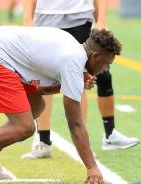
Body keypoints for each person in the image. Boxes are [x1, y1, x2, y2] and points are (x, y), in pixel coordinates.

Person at [0, 25, 121, 184]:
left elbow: (39, 90)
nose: (105, 70)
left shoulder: (72, 46)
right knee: (24, 127)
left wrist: (69, 82)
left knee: (37, 106)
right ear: (95, 56)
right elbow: (75, 124)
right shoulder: (73, 61)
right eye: (106, 64)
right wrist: (92, 168)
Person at [21, 0, 139, 160]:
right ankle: (43, 141)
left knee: (81, 78)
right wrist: (28, 20)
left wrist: (101, 20)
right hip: (45, 18)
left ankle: (82, 144)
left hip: (81, 18)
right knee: (43, 78)